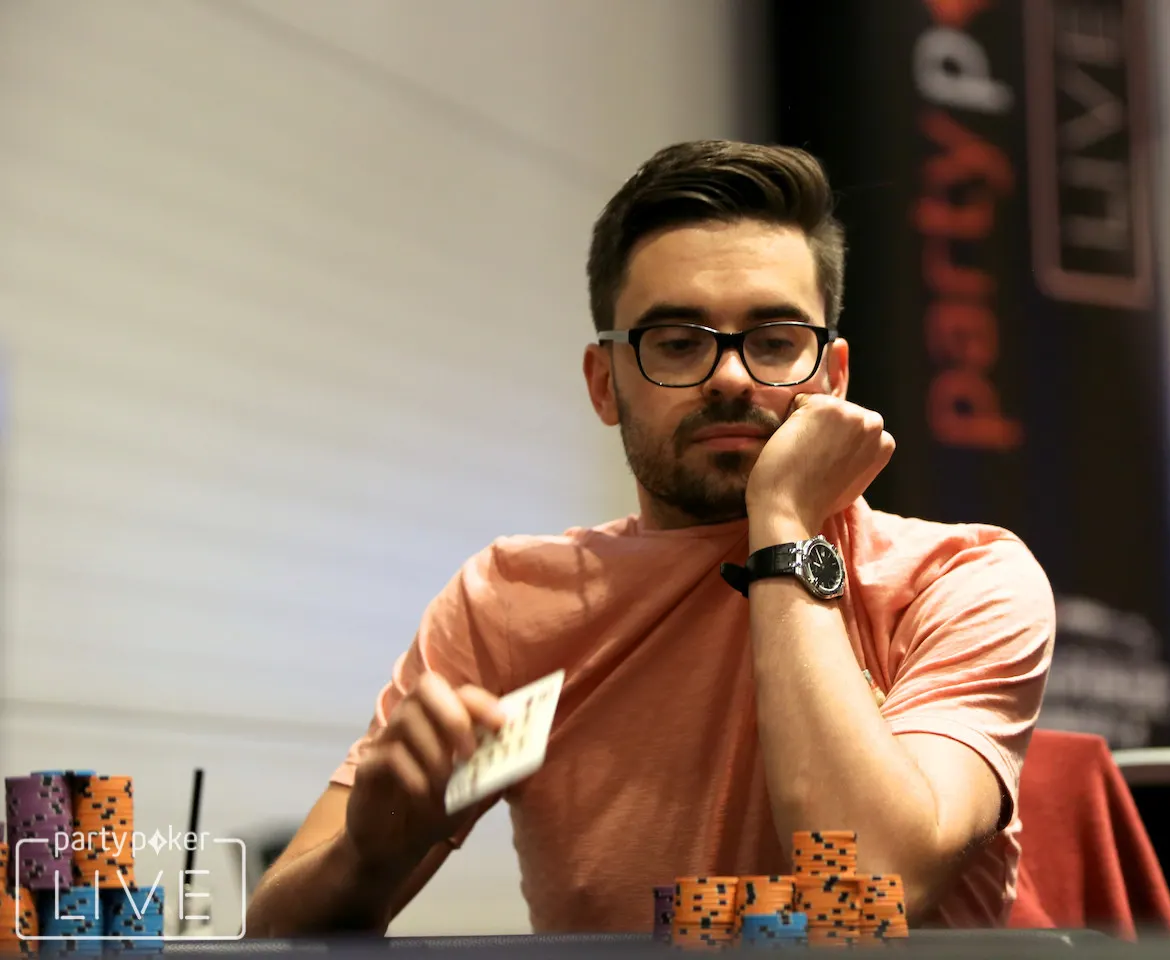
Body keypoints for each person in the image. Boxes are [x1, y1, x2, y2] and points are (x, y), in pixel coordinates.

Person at [245, 140, 1056, 936]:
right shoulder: (512, 604)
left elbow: (870, 886)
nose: (730, 376)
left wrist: (781, 522)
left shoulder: (961, 581)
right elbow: (269, 936)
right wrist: (369, 856)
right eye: (677, 343)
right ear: (605, 384)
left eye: (775, 342)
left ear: (833, 377)